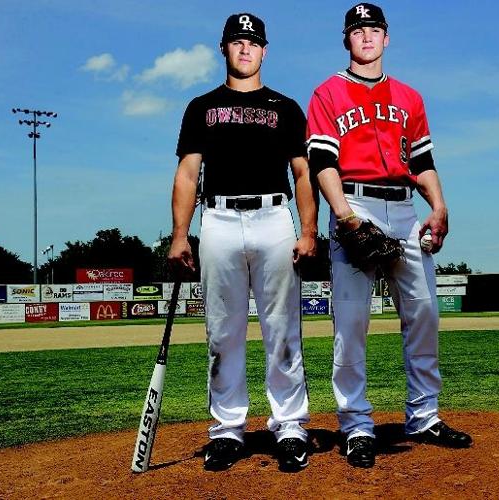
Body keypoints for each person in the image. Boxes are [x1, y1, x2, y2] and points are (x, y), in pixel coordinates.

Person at [305, 3, 472, 468]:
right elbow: (322, 162)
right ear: (347, 40)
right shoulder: (327, 93)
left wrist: (438, 205)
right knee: (352, 324)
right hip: (353, 204)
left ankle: (424, 415)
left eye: (374, 29)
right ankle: (356, 424)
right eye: (357, 30)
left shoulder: (410, 98)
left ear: (386, 38)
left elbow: (421, 163)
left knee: (423, 313)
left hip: (403, 208)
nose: (366, 36)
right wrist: (344, 217)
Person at [168, 12, 318, 473]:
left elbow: (302, 173)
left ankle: (290, 426)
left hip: (275, 217)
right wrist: (179, 235)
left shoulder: (286, 107)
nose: (245, 48)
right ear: (224, 48)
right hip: (218, 218)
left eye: (253, 42)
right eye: (237, 41)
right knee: (223, 331)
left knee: (282, 330)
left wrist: (309, 230)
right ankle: (227, 431)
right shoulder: (201, 106)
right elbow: (188, 174)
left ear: (264, 50)